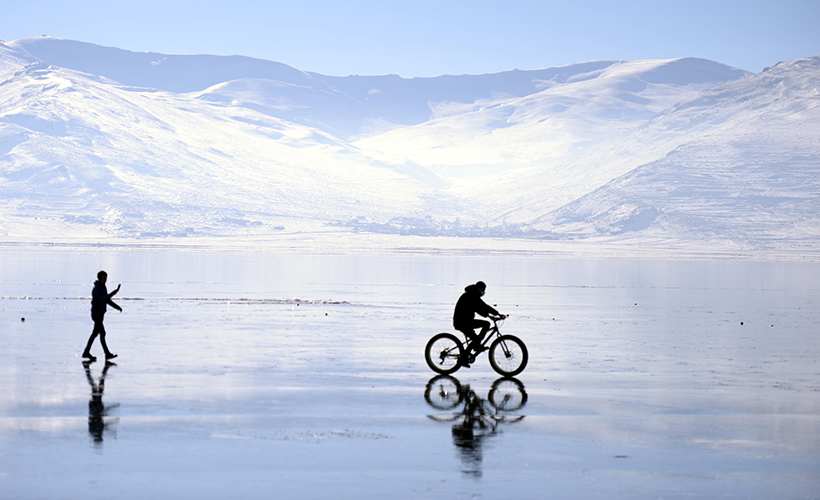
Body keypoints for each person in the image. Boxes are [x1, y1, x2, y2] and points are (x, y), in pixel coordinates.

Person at [453, 281, 504, 367]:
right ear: (478, 288)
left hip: (466, 321)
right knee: (478, 335)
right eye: (483, 289)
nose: (483, 292)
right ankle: (463, 358)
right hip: (462, 322)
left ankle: (476, 346)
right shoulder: (470, 295)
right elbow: (479, 308)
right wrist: (490, 315)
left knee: (484, 327)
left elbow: (483, 306)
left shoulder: (473, 294)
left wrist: (496, 313)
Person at [82, 271, 122, 361]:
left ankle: (86, 352)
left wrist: (117, 307)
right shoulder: (98, 288)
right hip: (96, 314)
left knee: (95, 333)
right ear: (100, 278)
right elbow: (102, 299)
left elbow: (106, 300)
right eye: (104, 278)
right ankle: (107, 354)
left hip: (100, 314)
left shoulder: (102, 287)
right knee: (102, 333)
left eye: (106, 278)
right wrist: (114, 292)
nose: (105, 280)